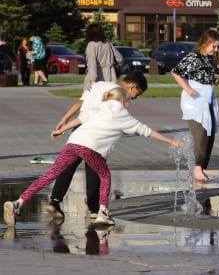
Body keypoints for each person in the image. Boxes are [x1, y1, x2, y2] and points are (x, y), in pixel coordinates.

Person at [3, 86, 182, 227]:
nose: (130, 103)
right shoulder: (124, 116)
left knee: (51, 174)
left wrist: (61, 130)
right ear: (123, 100)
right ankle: (103, 212)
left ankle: (18, 203)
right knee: (105, 175)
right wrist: (171, 142)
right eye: (129, 101)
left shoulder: (101, 108)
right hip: (90, 147)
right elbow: (147, 131)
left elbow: (82, 118)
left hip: (73, 142)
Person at [46, 71, 148, 220]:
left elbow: (80, 103)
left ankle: (54, 201)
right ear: (133, 86)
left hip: (79, 128)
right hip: (97, 133)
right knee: (94, 170)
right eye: (138, 93)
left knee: (68, 165)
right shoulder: (119, 95)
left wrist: (65, 119)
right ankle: (94, 210)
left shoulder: (98, 85)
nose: (135, 98)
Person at [171, 29, 219, 182]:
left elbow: (203, 74)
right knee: (200, 135)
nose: (216, 50)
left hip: (207, 98)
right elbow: (176, 73)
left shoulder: (208, 58)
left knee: (210, 134)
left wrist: (212, 80)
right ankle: (196, 168)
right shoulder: (193, 57)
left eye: (217, 47)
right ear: (205, 43)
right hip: (195, 100)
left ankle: (202, 168)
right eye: (214, 46)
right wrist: (187, 89)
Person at [83, 23, 123, 90]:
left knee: (92, 99)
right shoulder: (107, 43)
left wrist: (93, 80)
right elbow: (120, 58)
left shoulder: (91, 45)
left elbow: (92, 64)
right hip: (111, 76)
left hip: (98, 77)